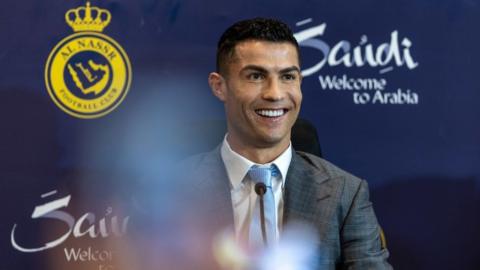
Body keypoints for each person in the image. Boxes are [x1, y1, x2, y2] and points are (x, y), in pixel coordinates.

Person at [179, 17, 392, 269]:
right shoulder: (169, 192)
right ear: (219, 86)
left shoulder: (346, 194)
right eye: (256, 76)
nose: (275, 93)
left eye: (288, 77)